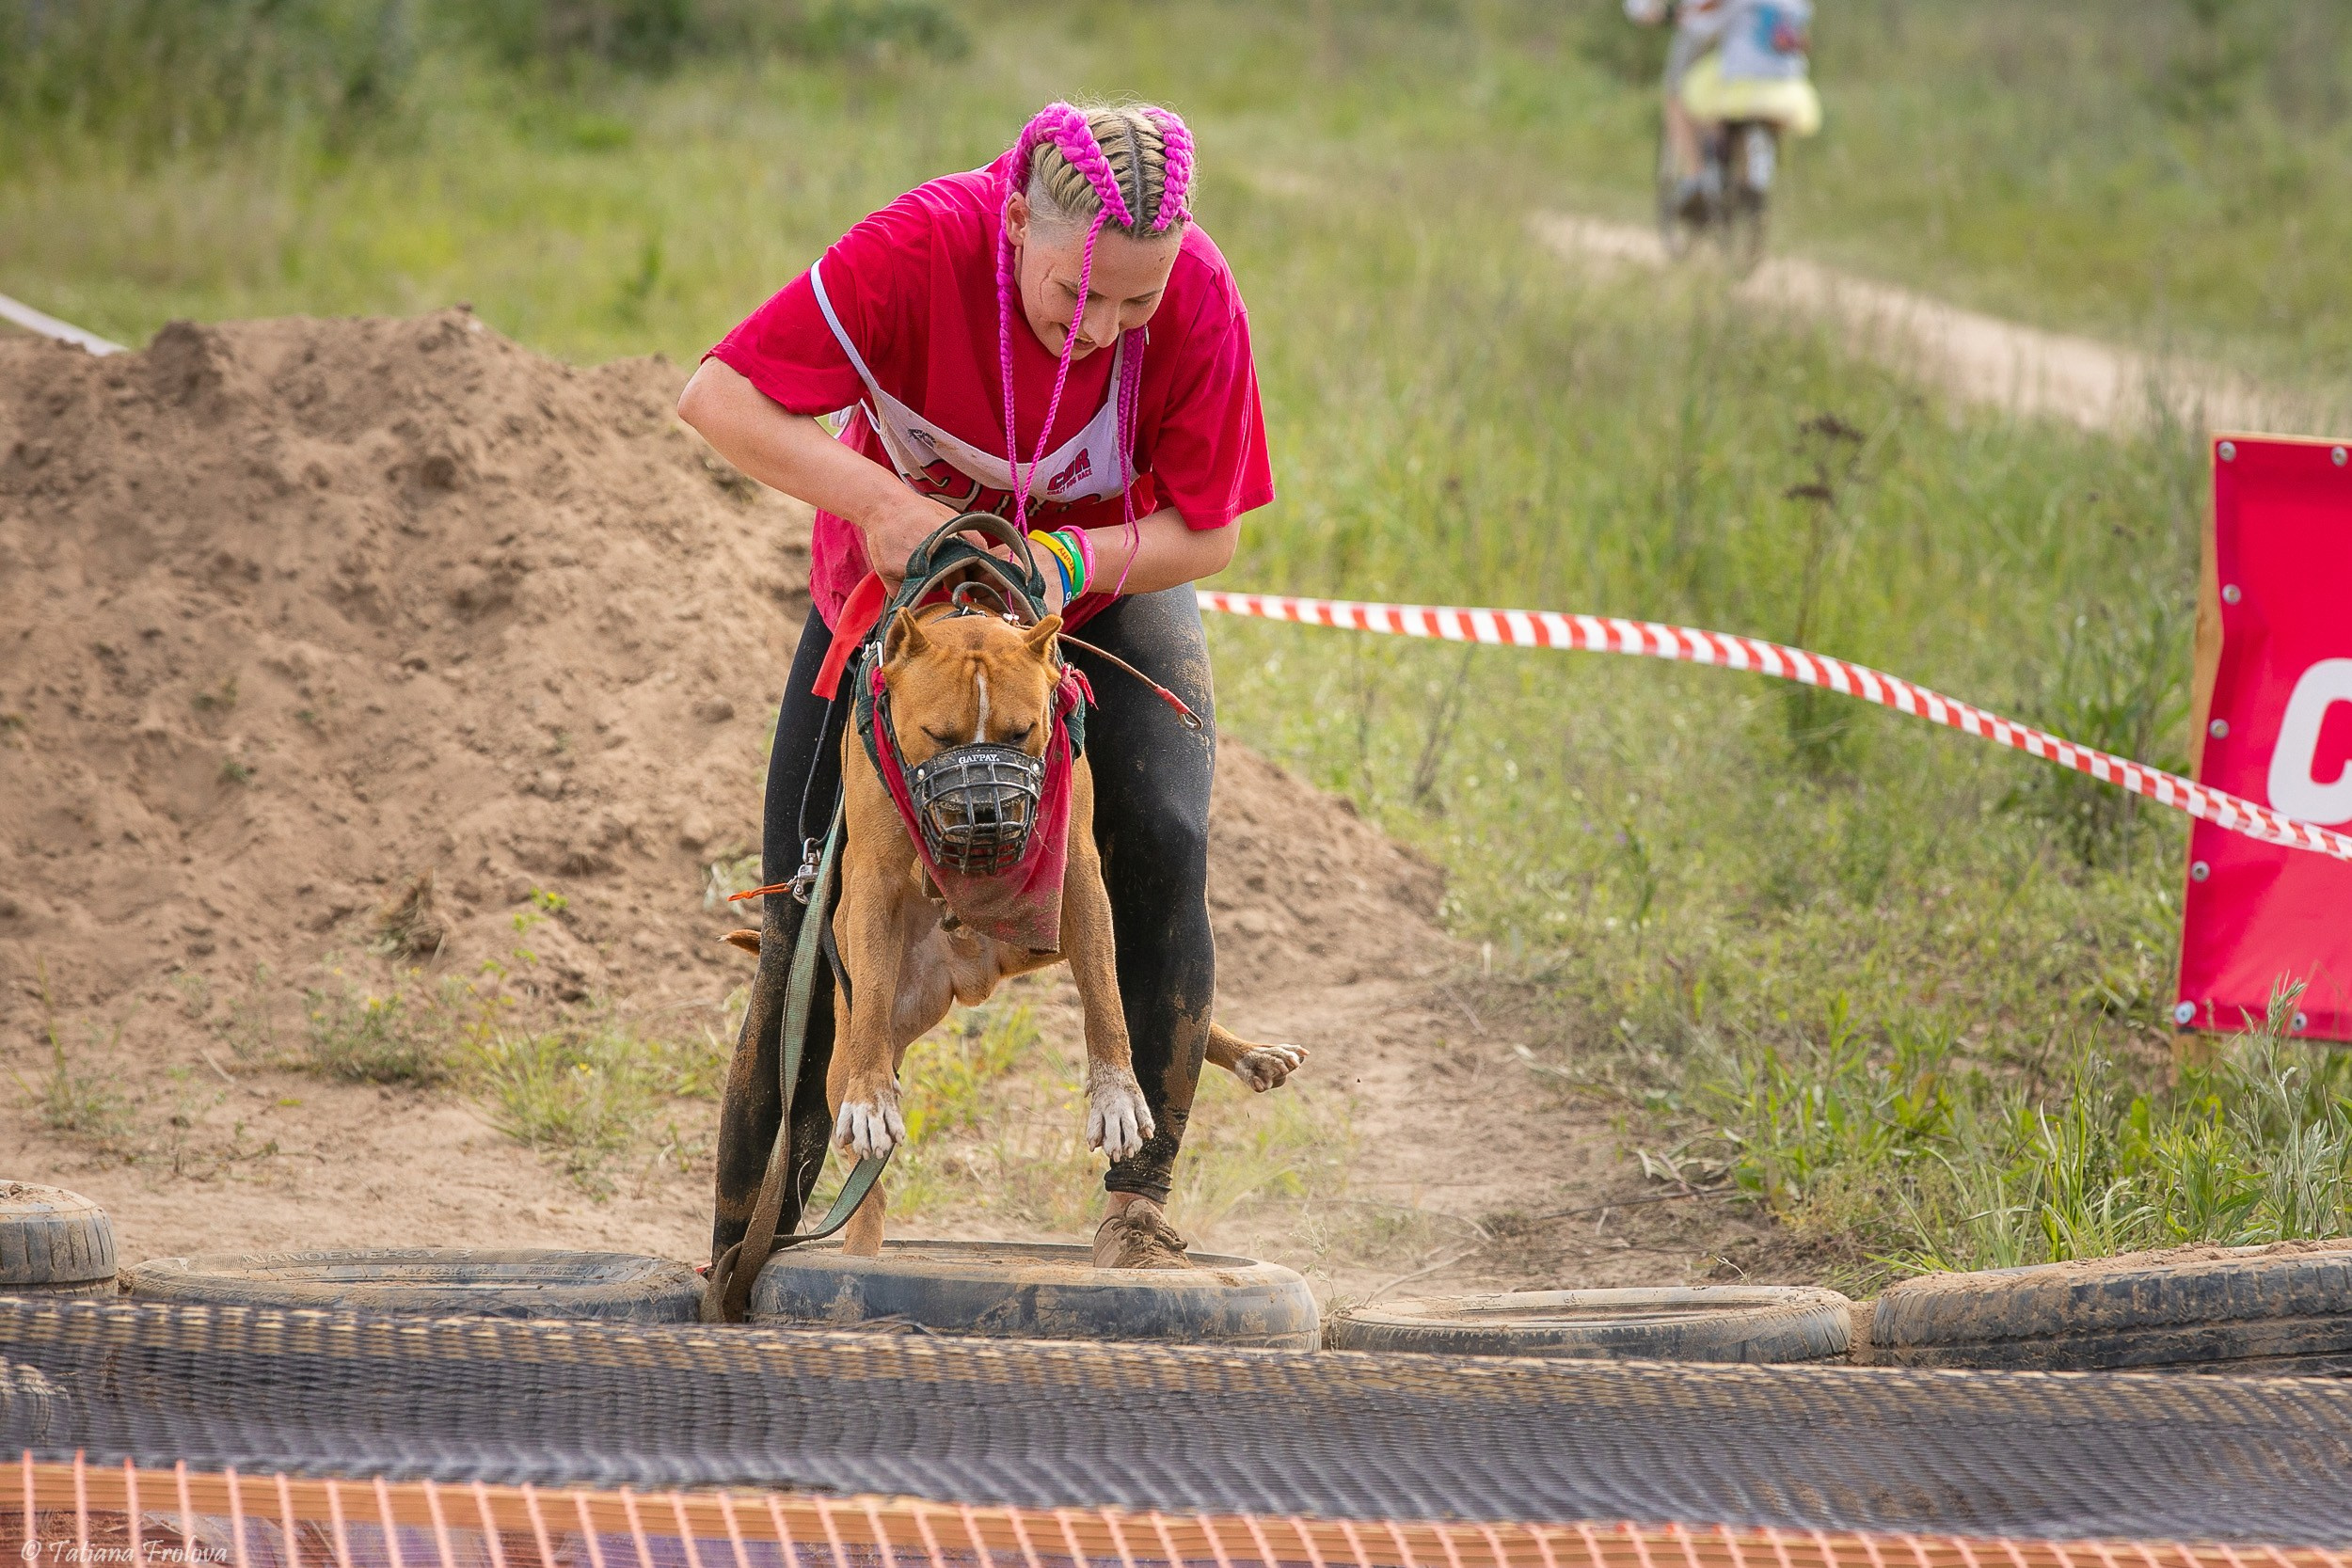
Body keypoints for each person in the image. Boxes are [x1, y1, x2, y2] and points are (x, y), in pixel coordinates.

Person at [676, 101, 1274, 1270]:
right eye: (1075, 294)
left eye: (1135, 303)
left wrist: (1073, 558)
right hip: (897, 602)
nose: (1103, 327)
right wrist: (886, 506)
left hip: (1089, 591)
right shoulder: (916, 249)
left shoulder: (1199, 293)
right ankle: (752, 1238)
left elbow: (1208, 533)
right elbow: (715, 398)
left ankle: (1138, 1201)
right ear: (1012, 227)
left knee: (1158, 828)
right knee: (808, 895)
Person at [1626, 0, 1816, 214]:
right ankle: (1747, 173)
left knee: (1684, 93)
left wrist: (1672, 14)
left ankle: (1697, 176)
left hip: (1737, 70)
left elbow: (1706, 17)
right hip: (1788, 81)